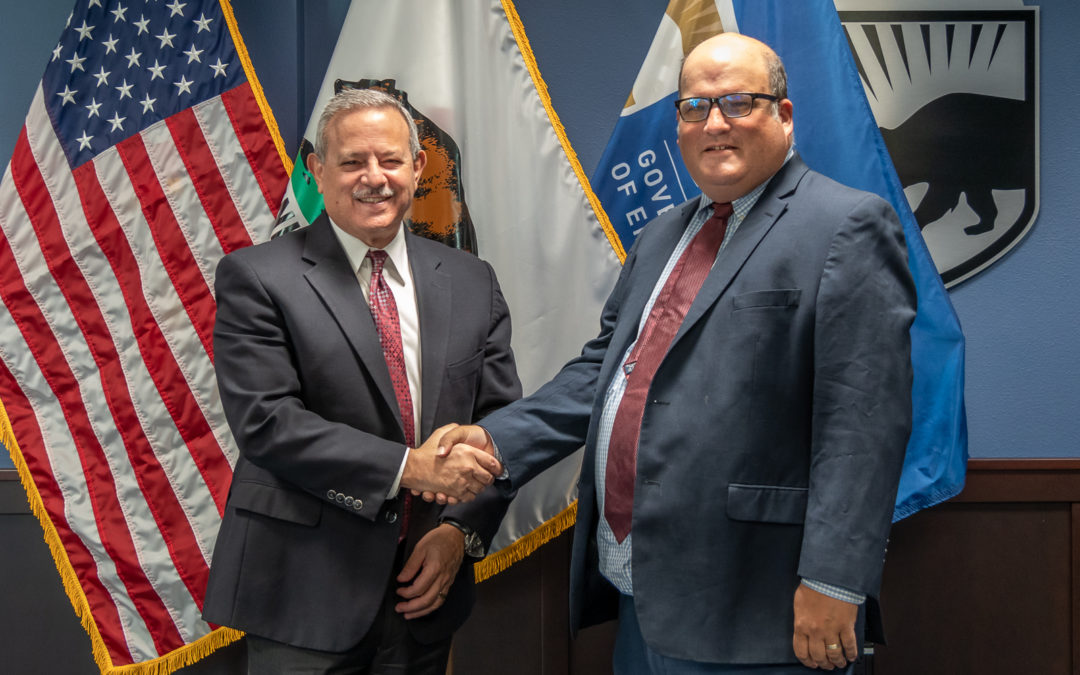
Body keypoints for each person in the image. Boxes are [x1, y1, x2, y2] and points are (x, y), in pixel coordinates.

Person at [438, 33, 916, 673]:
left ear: (784, 114)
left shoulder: (847, 225)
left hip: (762, 600)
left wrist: (835, 582)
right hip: (643, 589)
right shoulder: (663, 233)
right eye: (695, 107)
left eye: (738, 103)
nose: (714, 123)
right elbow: (602, 373)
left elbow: (863, 423)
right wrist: (492, 444)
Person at [202, 88, 521, 674]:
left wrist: (459, 534)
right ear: (318, 171)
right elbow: (268, 423)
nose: (374, 178)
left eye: (391, 160)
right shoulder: (257, 276)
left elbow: (502, 426)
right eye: (352, 162)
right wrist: (411, 467)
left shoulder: (473, 280)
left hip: (426, 592)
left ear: (417, 167)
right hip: (304, 591)